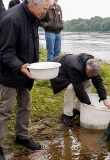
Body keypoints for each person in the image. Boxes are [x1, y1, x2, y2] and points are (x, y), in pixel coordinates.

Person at [0, 0, 53, 159]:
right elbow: (5, 52)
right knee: (4, 111)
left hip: (27, 71)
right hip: (9, 72)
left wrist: (35, 66)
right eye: (45, 8)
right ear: (34, 4)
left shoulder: (33, 18)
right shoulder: (12, 19)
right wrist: (20, 66)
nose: (46, 11)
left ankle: (21, 136)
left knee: (25, 105)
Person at [50, 53, 110, 127]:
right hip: (59, 70)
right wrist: (89, 104)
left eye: (94, 75)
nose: (93, 76)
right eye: (91, 74)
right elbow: (78, 88)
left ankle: (76, 109)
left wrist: (104, 99)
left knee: (89, 83)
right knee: (71, 86)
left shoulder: (93, 67)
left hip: (74, 71)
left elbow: (98, 83)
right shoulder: (74, 66)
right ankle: (67, 114)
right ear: (86, 68)